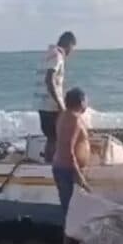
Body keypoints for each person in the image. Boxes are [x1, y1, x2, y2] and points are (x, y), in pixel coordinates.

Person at [51, 87, 92, 244]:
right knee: (73, 215)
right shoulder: (74, 119)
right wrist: (80, 177)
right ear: (81, 101)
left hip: (63, 169)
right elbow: (69, 151)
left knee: (72, 213)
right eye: (86, 100)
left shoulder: (64, 116)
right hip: (68, 171)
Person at [34, 31, 77, 163]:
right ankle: (52, 166)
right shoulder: (57, 56)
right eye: (71, 49)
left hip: (41, 103)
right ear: (68, 44)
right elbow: (49, 80)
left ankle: (50, 163)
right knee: (55, 138)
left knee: (51, 138)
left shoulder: (47, 54)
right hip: (50, 105)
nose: (70, 53)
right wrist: (60, 104)